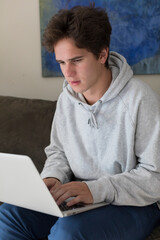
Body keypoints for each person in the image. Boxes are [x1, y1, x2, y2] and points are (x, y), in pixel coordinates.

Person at [0, 4, 160, 240]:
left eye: (76, 60)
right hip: (78, 197)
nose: (68, 72)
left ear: (102, 54)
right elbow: (58, 152)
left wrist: (94, 189)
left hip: (133, 204)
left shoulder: (140, 99)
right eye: (61, 62)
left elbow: (154, 177)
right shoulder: (67, 99)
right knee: (8, 215)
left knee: (68, 233)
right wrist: (52, 178)